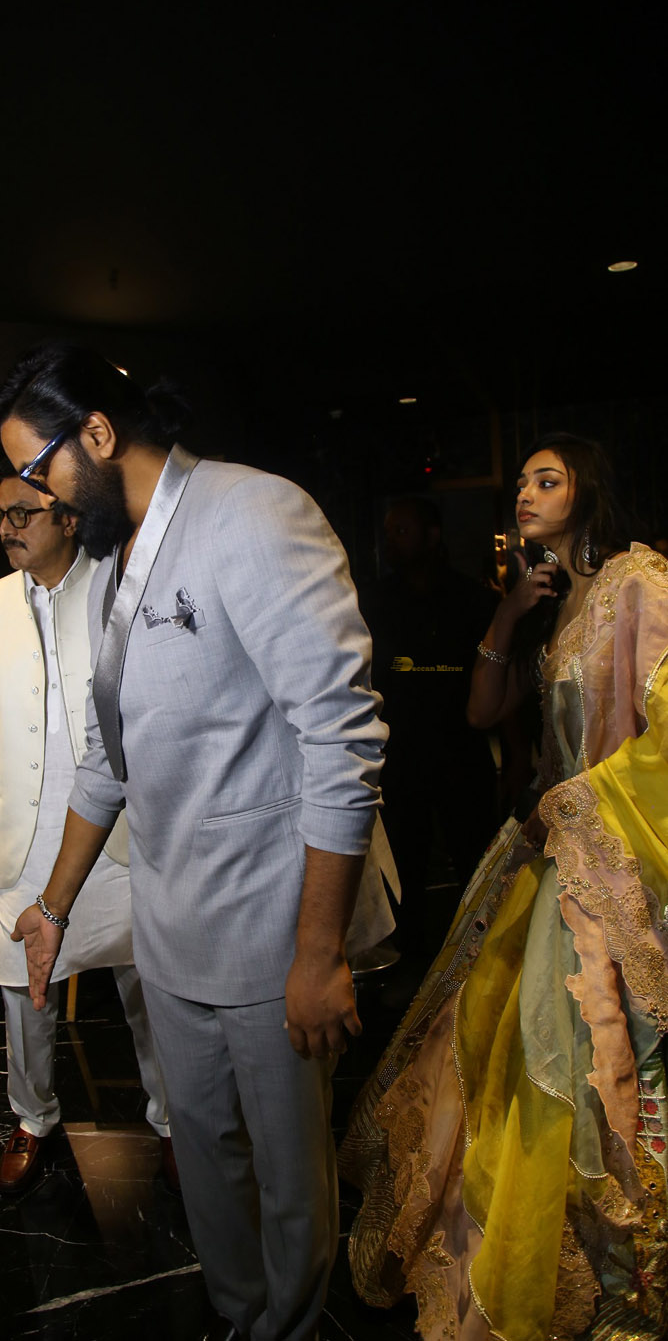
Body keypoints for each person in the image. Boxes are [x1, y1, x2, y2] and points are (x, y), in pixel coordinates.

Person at [0, 342, 393, 1341]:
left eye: (36, 471)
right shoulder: (113, 563)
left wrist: (318, 953)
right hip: (169, 935)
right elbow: (108, 759)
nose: (36, 498)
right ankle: (239, 1313)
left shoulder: (254, 513)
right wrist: (52, 906)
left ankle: (289, 1325)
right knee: (208, 1164)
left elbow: (341, 741)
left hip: (270, 933)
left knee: (289, 1176)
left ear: (96, 433)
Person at [339, 434, 668, 1339]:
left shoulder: (639, 581)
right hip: (545, 863)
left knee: (590, 1069)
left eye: (547, 480)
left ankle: (620, 1273)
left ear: (589, 491)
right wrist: (511, 614)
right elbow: (483, 711)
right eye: (521, 481)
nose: (525, 492)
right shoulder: (551, 607)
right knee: (505, 1052)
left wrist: (587, 804)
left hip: (611, 866)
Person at [0, 463, 171, 1192]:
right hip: (23, 842)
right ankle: (33, 1116)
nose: (6, 529)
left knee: (151, 992)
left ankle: (173, 1119)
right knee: (23, 994)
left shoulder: (122, 589)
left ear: (68, 517)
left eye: (22, 514)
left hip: (122, 837)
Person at [363, 498, 500, 965]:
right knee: (405, 870)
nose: (391, 541)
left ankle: (482, 966)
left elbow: (501, 681)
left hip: (462, 755)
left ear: (432, 535)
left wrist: (516, 759)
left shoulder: (474, 600)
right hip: (400, 759)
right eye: (388, 533)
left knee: (476, 865)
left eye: (402, 531)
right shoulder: (375, 602)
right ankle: (413, 970)